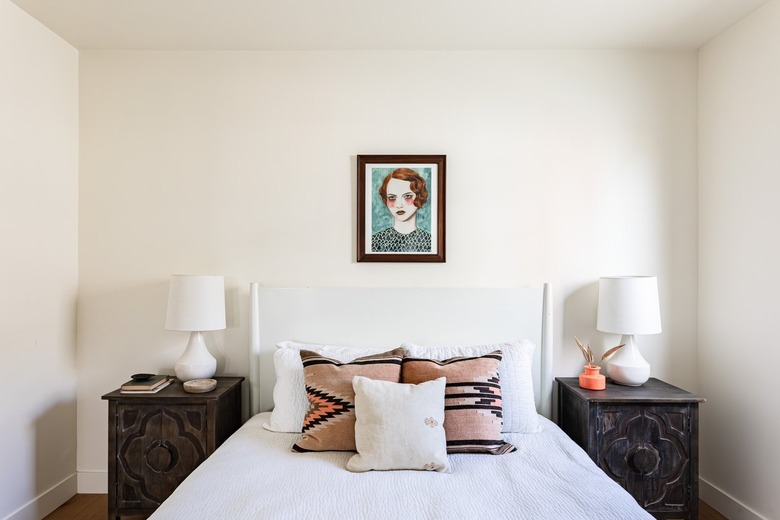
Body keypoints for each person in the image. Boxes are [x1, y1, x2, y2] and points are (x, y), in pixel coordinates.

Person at [371, 167, 432, 253]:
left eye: (407, 196)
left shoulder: (430, 243)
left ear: (419, 197)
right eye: (392, 198)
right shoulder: (375, 242)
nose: (399, 205)